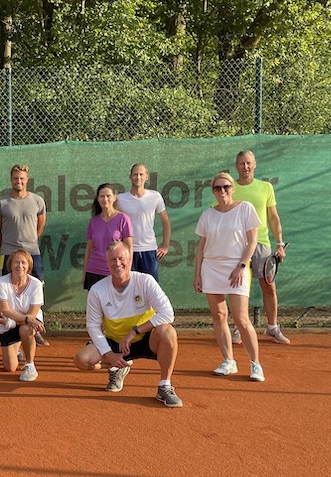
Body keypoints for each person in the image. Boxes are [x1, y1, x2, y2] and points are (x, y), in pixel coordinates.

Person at [74, 242, 182, 407]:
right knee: (82, 360)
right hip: (114, 341)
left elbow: (167, 313)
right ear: (107, 263)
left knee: (168, 332)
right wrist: (109, 354)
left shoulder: (145, 281)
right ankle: (116, 367)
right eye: (112, 260)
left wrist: (134, 331)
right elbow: (93, 326)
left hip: (145, 339)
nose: (117, 264)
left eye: (121, 258)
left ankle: (164, 386)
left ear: (129, 259)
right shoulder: (97, 290)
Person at [194, 172, 265, 382]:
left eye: (226, 187)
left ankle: (256, 365)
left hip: (237, 268)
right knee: (219, 316)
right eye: (218, 188)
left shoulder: (245, 209)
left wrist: (241, 265)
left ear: (232, 188)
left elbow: (252, 241)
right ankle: (228, 361)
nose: (222, 191)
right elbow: (200, 248)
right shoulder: (208, 215)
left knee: (241, 319)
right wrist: (197, 274)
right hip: (211, 268)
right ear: (213, 191)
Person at [230, 150, 291, 344]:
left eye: (248, 163)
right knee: (239, 287)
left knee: (269, 286)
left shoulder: (265, 187)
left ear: (254, 164)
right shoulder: (230, 188)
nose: (245, 167)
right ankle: (239, 326)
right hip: (237, 246)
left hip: (261, 244)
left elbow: (273, 217)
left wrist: (279, 243)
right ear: (236, 166)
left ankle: (272, 327)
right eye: (242, 164)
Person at [0, 163, 49, 346]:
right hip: (8, 252)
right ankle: (7, 331)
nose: (19, 181)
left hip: (33, 252)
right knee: (7, 291)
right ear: (11, 180)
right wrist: (6, 248)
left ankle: (35, 329)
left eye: (22, 178)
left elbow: (40, 225)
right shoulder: (2, 203)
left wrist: (30, 244)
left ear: (27, 180)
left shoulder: (38, 201)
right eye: (16, 178)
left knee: (36, 289)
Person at [0, 250, 45, 382]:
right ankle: (18, 346)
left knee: (26, 329)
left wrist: (13, 323)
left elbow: (32, 316)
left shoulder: (36, 284)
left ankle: (30, 365)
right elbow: (4, 310)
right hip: (8, 323)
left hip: (21, 323)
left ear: (29, 266)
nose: (20, 266)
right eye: (16, 262)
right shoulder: (0, 282)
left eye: (23, 262)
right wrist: (14, 323)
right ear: (10, 265)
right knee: (10, 367)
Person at [116, 163, 170, 281]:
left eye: (141, 174)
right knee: (129, 287)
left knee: (150, 288)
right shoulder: (120, 199)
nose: (138, 177)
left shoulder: (155, 196)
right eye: (135, 174)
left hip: (149, 250)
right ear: (130, 177)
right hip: (127, 251)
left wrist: (165, 245)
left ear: (146, 177)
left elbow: (165, 221)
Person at [82, 183, 133, 290]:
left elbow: (129, 248)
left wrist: (127, 269)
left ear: (114, 197)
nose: (105, 199)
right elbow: (89, 248)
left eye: (108, 196)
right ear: (98, 199)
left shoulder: (123, 219)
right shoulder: (93, 222)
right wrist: (84, 273)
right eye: (102, 196)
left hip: (114, 270)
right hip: (94, 270)